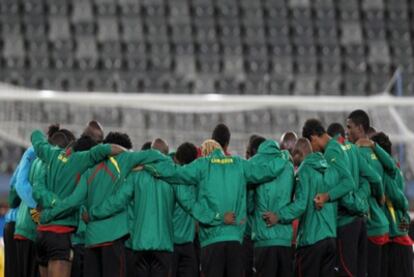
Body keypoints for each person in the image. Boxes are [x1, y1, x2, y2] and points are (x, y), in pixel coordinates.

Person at [142, 139, 288, 277]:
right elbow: (267, 172)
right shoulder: (239, 164)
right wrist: (284, 156)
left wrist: (148, 166)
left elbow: (176, 174)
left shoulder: (202, 165)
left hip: (211, 241)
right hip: (235, 240)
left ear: (205, 153)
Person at [38, 132, 165, 277]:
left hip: (91, 241)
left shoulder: (87, 172)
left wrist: (48, 215)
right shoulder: (123, 159)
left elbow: (72, 202)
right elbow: (156, 155)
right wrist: (145, 167)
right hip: (114, 238)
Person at [30, 128, 127, 277]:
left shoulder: (50, 153)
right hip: (60, 235)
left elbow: (35, 136)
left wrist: (43, 133)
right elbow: (106, 149)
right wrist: (129, 154)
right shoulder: (81, 159)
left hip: (41, 235)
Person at [267, 138, 338, 277]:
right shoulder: (328, 168)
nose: (292, 161)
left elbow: (300, 205)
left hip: (312, 240)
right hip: (330, 237)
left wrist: (278, 216)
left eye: (292, 155)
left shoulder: (304, 170)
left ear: (298, 153)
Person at [327, 122, 382, 277]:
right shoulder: (354, 150)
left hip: (344, 222)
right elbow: (374, 178)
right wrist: (378, 196)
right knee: (359, 271)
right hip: (361, 222)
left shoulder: (333, 152)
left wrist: (354, 204)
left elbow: (340, 187)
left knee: (346, 271)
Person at [358, 132, 413, 277]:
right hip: (399, 236)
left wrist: (399, 227)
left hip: (395, 241)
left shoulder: (386, 175)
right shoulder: (395, 169)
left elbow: (400, 199)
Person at [346, 110, 389, 277]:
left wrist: (379, 196)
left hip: (370, 225)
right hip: (383, 224)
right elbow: (390, 171)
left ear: (360, 128)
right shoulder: (376, 152)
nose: (347, 130)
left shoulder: (357, 153)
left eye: (350, 127)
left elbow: (375, 179)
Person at [248, 138, 295, 276]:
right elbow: (293, 199)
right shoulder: (288, 165)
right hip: (285, 239)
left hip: (263, 238)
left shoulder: (254, 164)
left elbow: (249, 205)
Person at [170, 142, 199, 277]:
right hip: (188, 243)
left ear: (177, 158)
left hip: (171, 243)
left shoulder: (171, 180)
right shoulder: (198, 181)